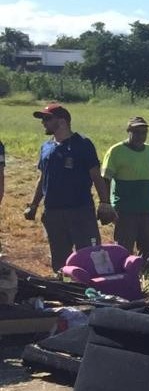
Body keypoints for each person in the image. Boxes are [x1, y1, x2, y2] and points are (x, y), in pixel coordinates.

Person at [24, 103, 116, 272]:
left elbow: (96, 175)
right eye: (42, 119)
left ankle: (93, 291)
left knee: (89, 255)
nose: (43, 122)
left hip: (80, 211)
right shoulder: (46, 147)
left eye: (47, 118)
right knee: (60, 260)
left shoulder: (83, 144)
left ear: (63, 121)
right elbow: (42, 178)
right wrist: (34, 205)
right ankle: (65, 290)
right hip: (53, 213)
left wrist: (105, 203)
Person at [102, 117, 149, 272]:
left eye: (144, 132)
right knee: (124, 248)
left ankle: (147, 278)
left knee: (148, 247)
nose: (141, 135)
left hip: (146, 209)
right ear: (129, 131)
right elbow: (105, 180)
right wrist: (105, 204)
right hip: (124, 210)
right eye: (137, 132)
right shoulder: (116, 151)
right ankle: (122, 279)